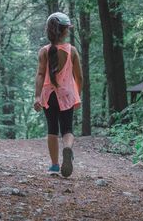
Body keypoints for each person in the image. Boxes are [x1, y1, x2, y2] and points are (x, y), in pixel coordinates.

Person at [34, 12, 83, 177]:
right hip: (67, 94)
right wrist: (77, 95)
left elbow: (40, 75)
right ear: (65, 31)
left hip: (49, 95)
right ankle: (67, 148)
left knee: (52, 129)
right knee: (67, 128)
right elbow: (79, 77)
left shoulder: (44, 51)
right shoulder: (73, 51)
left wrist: (36, 97)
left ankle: (54, 165)